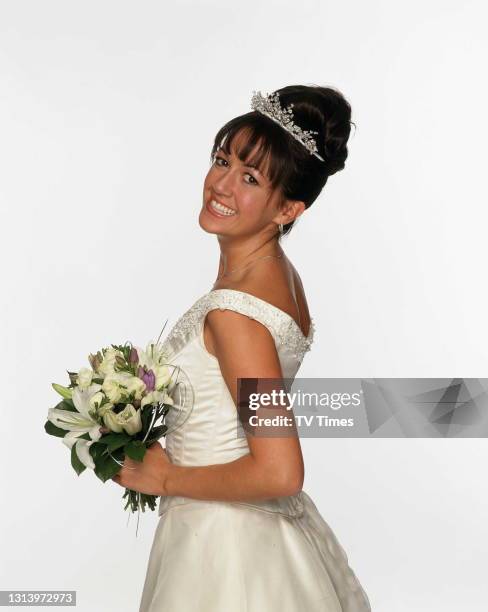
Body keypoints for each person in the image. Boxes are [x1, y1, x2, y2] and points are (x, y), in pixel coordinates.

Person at [112, 84, 371, 611]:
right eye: (222, 160)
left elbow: (280, 470)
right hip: (253, 527)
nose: (221, 184)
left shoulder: (236, 314)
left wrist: (165, 476)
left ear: (288, 208)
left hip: (226, 547)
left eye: (250, 178)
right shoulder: (279, 278)